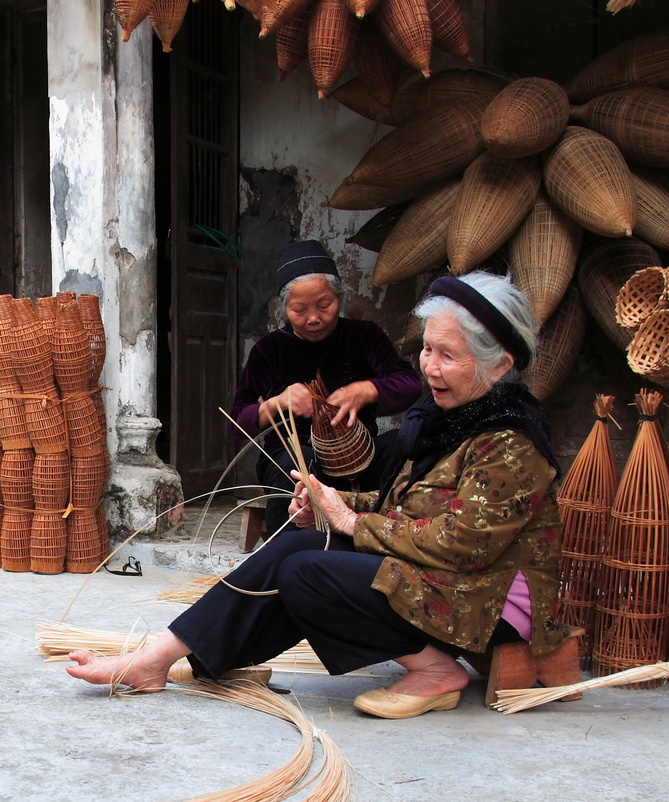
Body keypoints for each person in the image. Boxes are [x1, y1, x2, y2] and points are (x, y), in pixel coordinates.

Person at [68, 272, 570, 720]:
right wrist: (334, 507)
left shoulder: (510, 442)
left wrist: (351, 522)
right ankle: (161, 659)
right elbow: (411, 509)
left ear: (499, 364)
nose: (429, 367)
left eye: (448, 356)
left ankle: (438, 672)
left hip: (489, 601)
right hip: (444, 578)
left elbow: (463, 544)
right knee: (292, 547)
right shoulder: (448, 420)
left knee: (308, 574)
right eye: (427, 349)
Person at [234, 240, 420, 533]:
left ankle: (388, 535)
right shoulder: (270, 349)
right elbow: (238, 421)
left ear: (340, 299)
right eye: (299, 309)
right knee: (300, 462)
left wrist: (366, 390)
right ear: (284, 308)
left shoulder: (362, 337)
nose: (313, 318)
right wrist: (278, 403)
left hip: (360, 459)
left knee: (402, 443)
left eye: (325, 305)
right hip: (296, 460)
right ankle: (287, 550)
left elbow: (410, 385)